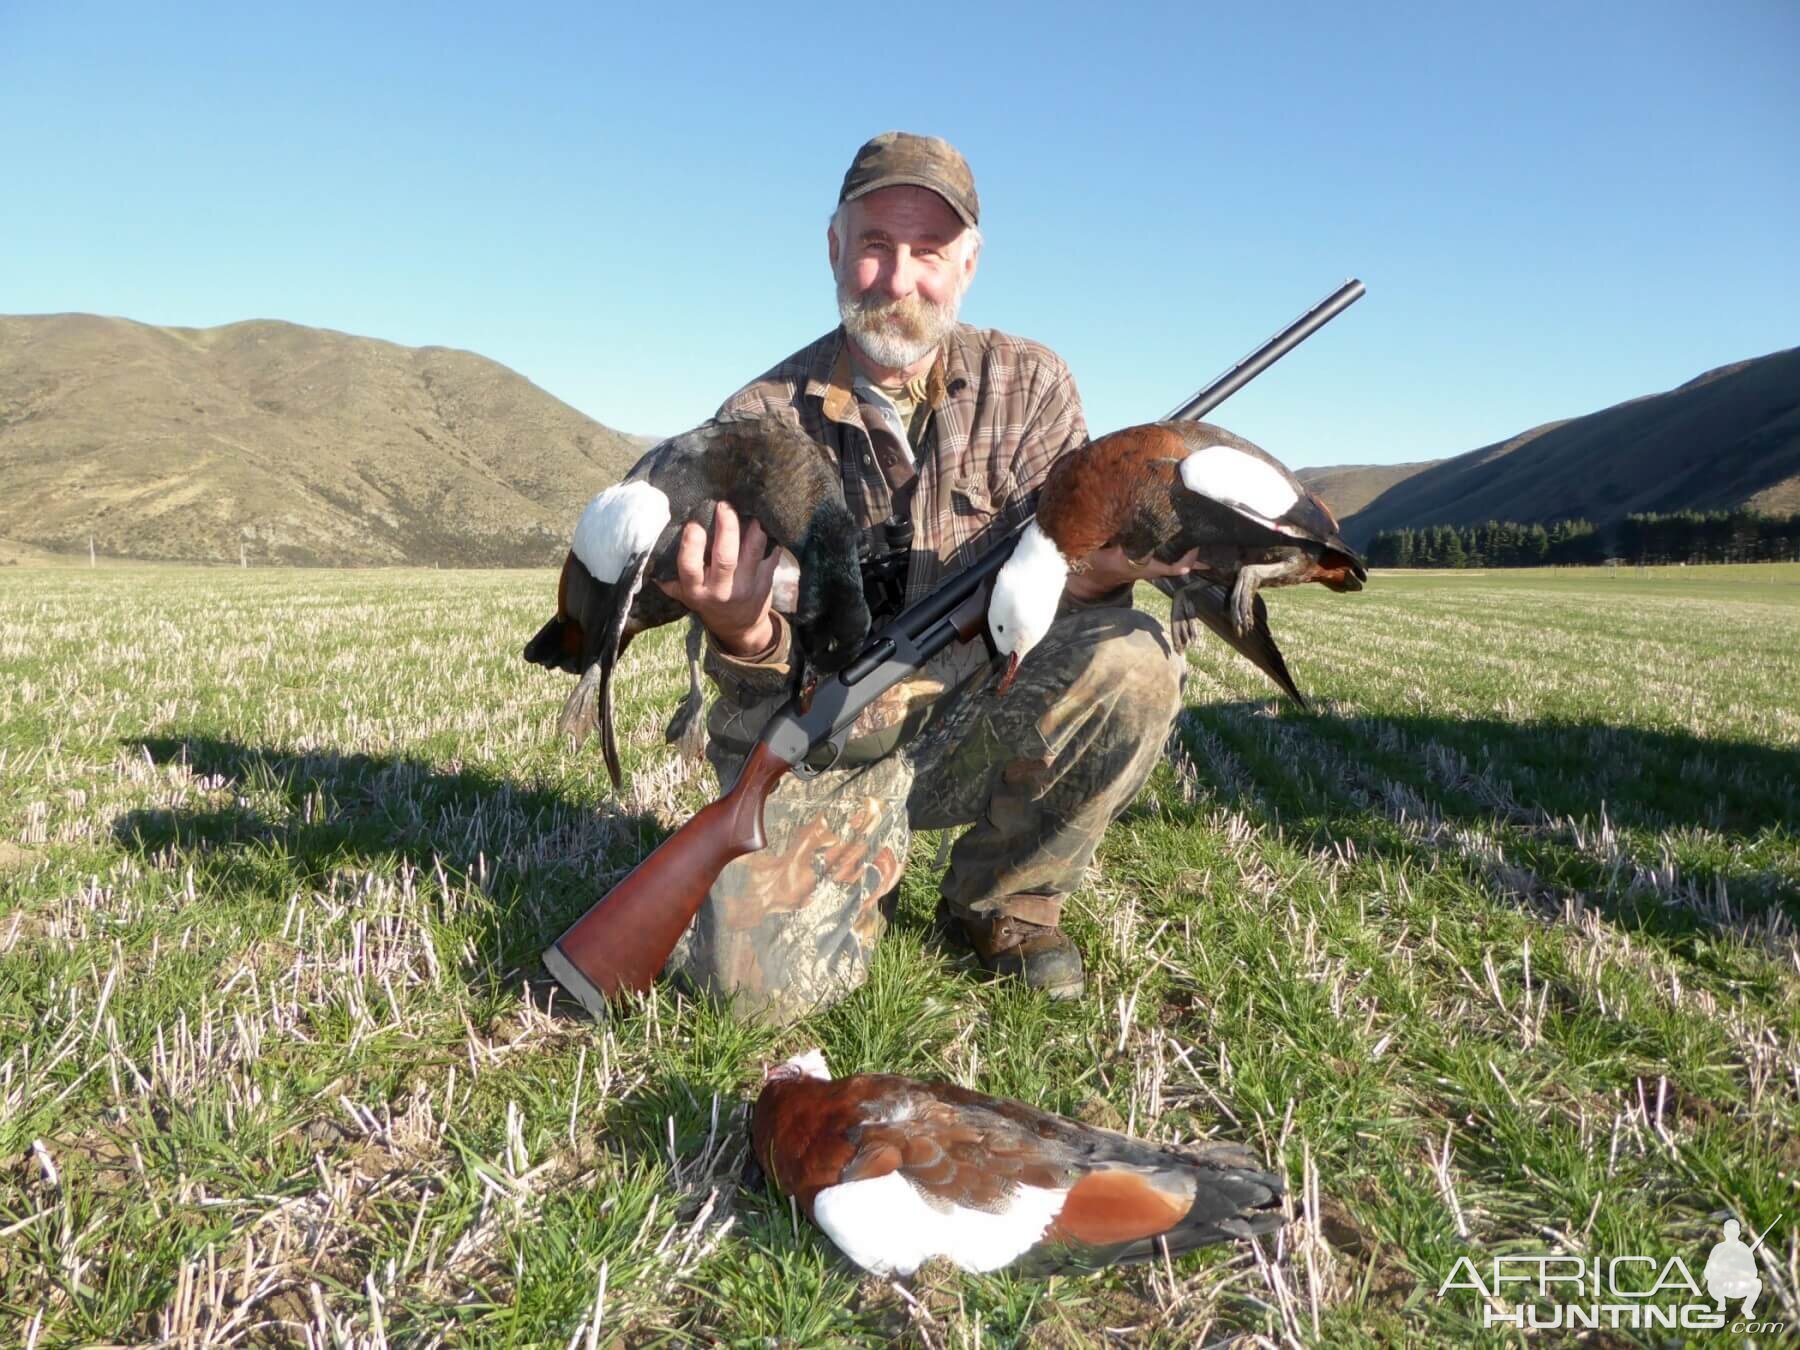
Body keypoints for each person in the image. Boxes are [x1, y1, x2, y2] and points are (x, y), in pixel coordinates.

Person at [657, 131, 1195, 1022]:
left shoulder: (1033, 386)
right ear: (835, 248)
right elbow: (749, 659)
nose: (898, 279)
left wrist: (1109, 565)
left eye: (929, 253)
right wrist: (741, 628)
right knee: (748, 999)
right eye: (874, 246)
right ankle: (846, 852)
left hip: (978, 713)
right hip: (823, 739)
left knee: (1133, 659)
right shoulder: (757, 422)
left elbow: (1066, 595)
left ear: (969, 264)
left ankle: (1003, 902)